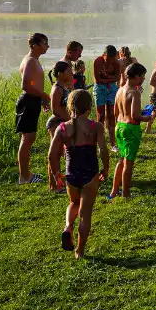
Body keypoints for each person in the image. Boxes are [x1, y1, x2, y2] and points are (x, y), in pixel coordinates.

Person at [47, 89, 109, 259]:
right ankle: (80, 251)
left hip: (71, 173)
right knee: (86, 212)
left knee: (74, 202)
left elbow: (52, 155)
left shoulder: (62, 128)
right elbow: (103, 149)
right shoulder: (95, 126)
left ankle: (68, 227)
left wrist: (56, 174)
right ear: (89, 107)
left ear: (70, 106)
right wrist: (106, 168)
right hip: (90, 173)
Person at [110, 62, 153, 199]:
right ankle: (126, 194)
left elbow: (116, 112)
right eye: (142, 76)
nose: (144, 79)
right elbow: (135, 116)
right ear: (136, 76)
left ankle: (114, 190)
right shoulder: (134, 93)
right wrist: (148, 118)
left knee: (121, 160)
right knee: (128, 164)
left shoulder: (119, 90)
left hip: (119, 126)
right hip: (130, 129)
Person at [17, 32, 51, 185]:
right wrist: (43, 95)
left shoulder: (34, 60)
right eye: (45, 43)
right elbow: (25, 85)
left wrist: (41, 98)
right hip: (28, 101)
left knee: (29, 138)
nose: (47, 46)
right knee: (27, 138)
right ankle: (24, 177)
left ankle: (26, 173)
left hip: (33, 100)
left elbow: (32, 83)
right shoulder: (30, 61)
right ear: (35, 46)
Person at [45, 61, 74, 191]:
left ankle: (64, 180)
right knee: (55, 154)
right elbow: (55, 110)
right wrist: (69, 119)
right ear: (61, 74)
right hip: (56, 124)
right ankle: (54, 185)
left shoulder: (64, 87)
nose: (72, 73)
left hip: (63, 123)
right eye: (69, 71)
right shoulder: (57, 89)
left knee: (62, 152)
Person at [93, 45, 121, 151]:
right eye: (108, 60)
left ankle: (113, 144)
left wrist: (106, 79)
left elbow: (118, 77)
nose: (110, 62)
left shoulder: (117, 63)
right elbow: (97, 80)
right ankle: (100, 143)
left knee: (111, 115)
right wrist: (110, 78)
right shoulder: (97, 62)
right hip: (100, 89)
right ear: (103, 55)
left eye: (112, 60)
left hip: (112, 89)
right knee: (100, 116)